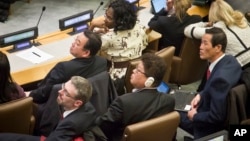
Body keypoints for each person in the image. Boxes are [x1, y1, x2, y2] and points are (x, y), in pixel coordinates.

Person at [179, 27, 242, 139]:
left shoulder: (219, 79)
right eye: (201, 43)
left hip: (204, 125)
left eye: (205, 44)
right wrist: (201, 94)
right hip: (204, 103)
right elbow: (215, 89)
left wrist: (195, 116)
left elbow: (216, 116)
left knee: (167, 106)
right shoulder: (230, 60)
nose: (200, 47)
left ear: (218, 47)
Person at [95, 53, 175, 141]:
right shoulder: (169, 100)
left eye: (138, 70)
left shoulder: (123, 102)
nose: (133, 71)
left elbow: (102, 127)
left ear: (149, 81)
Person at [0, 76, 97, 141]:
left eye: (66, 92)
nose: (59, 91)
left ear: (77, 103)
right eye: (63, 87)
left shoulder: (70, 124)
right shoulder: (89, 108)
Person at [27, 30, 107, 103]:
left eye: (77, 43)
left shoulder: (63, 68)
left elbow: (44, 93)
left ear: (86, 53)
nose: (73, 43)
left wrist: (29, 94)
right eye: (75, 39)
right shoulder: (102, 62)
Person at [89, 0, 148, 84]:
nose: (105, 19)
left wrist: (92, 25)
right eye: (105, 14)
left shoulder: (107, 38)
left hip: (116, 80)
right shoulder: (140, 27)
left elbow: (86, 47)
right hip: (136, 71)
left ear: (120, 21)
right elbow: (144, 45)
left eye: (109, 18)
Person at [184, 0, 250, 68]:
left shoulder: (216, 30)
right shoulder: (242, 20)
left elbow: (187, 30)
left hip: (242, 67)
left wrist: (206, 24)